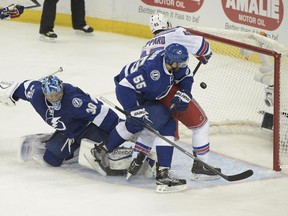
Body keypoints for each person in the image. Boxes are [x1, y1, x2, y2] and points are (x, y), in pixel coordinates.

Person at [126, 13, 221, 181]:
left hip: (146, 92)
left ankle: (139, 160)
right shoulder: (175, 33)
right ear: (168, 23)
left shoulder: (146, 45)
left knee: (159, 126)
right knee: (200, 124)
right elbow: (203, 47)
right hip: (168, 90)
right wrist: (204, 56)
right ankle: (202, 166)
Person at [92, 43, 191, 193]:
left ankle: (103, 148)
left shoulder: (170, 62)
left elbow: (186, 75)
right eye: (181, 63)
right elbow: (123, 87)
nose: (184, 65)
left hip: (146, 93)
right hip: (131, 92)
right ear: (172, 62)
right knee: (161, 124)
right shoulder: (152, 71)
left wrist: (185, 92)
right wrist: (132, 109)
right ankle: (163, 175)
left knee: (140, 124)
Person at [0, 75, 129, 175]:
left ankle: (87, 144)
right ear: (44, 93)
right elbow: (20, 87)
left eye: (58, 93)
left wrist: (120, 130)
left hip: (88, 127)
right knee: (51, 160)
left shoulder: (74, 101)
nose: (55, 97)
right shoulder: (36, 94)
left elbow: (101, 113)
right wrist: (9, 92)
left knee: (110, 153)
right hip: (68, 132)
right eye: (51, 95)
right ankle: (74, 148)